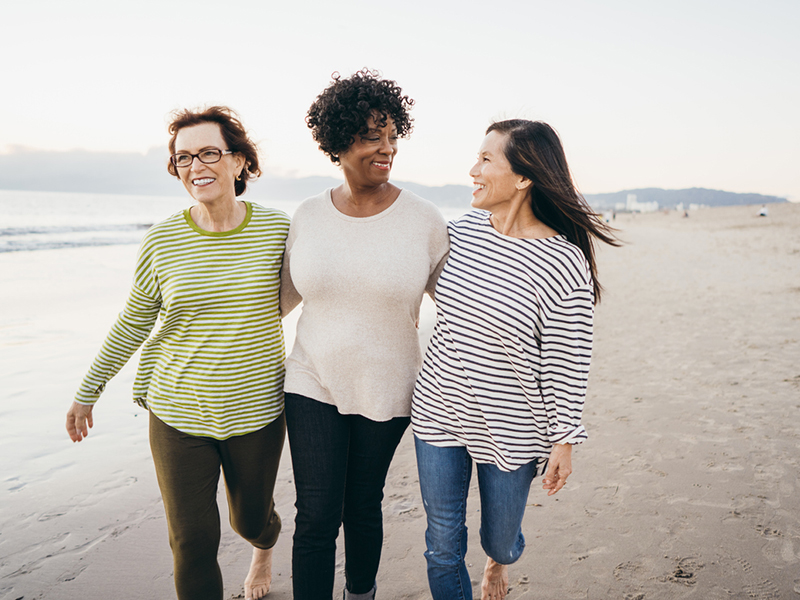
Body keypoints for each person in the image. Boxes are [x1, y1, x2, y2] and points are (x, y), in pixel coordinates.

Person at [65, 106, 290, 600]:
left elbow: (321, 289)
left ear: (240, 163)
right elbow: (133, 322)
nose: (195, 166)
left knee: (251, 519)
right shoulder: (163, 240)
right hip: (177, 410)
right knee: (191, 540)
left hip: (256, 411)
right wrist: (87, 393)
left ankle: (264, 545)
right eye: (183, 157)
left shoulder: (279, 231)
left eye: (209, 152)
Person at [412, 119, 618, 600]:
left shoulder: (563, 262)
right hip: (439, 413)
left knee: (500, 540)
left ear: (524, 177)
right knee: (442, 545)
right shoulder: (458, 234)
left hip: (513, 425)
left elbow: (568, 362)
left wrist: (564, 440)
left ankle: (498, 563)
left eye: (486, 160)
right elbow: (395, 269)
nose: (472, 170)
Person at [276, 69, 449, 600]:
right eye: (373, 136)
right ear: (337, 142)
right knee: (316, 512)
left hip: (388, 384)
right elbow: (275, 303)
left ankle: (360, 593)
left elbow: (461, 308)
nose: (387, 149)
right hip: (311, 379)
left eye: (393, 137)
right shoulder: (306, 216)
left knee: (361, 502)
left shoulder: (424, 219)